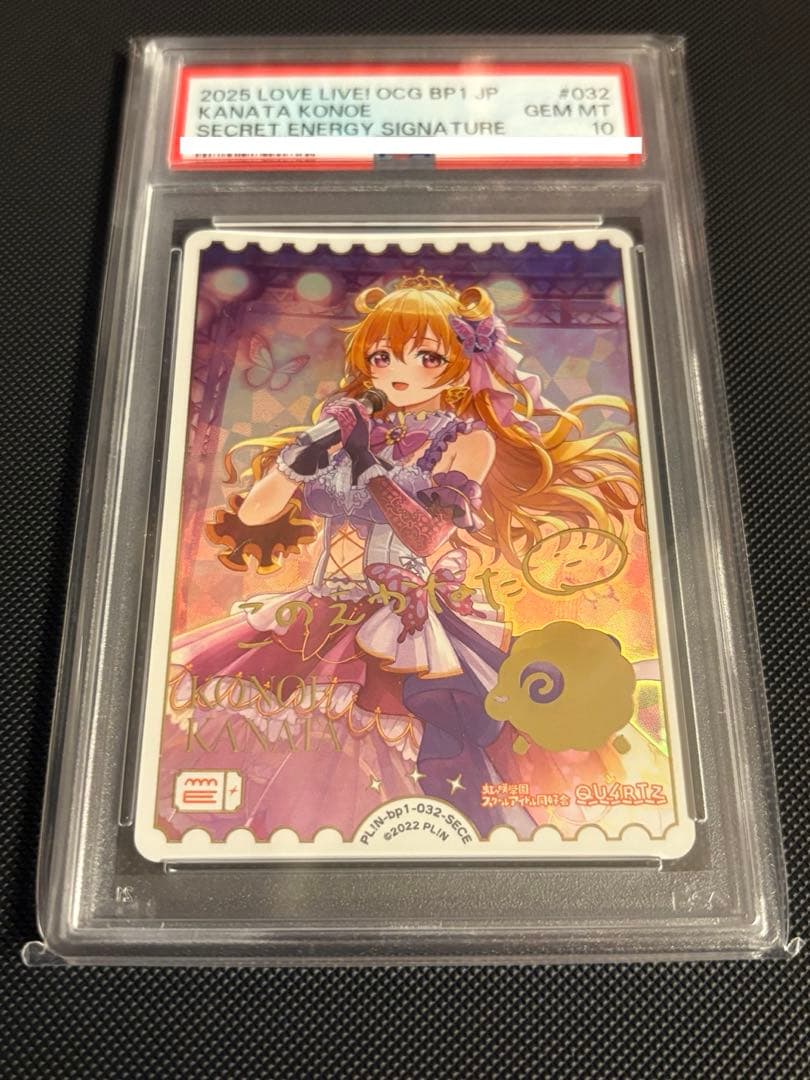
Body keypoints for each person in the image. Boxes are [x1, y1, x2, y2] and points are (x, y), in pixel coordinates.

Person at [168, 271, 643, 839]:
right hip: (317, 609)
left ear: (460, 367)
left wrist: (366, 461)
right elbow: (254, 514)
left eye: (426, 357)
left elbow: (426, 537)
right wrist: (304, 454)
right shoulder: (347, 432)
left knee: (393, 746)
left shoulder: (465, 439)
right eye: (382, 356)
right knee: (291, 745)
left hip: (404, 623)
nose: (399, 371)